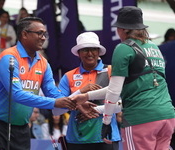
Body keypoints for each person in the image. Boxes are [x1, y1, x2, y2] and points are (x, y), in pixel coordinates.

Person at [71, 6, 175, 150]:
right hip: (167, 116)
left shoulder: (124, 48)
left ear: (123, 29)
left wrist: (106, 122)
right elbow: (123, 85)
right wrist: (87, 96)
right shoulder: (153, 47)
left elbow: (114, 91)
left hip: (141, 118)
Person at [0, 17, 76, 150]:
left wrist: (76, 100)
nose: (43, 38)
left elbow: (53, 93)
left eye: (45, 34)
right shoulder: (9, 57)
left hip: (22, 129)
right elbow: (17, 94)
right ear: (25, 34)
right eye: (40, 33)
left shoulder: (43, 63)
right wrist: (55, 103)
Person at [53, 32, 121, 150]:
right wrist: (80, 93)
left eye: (93, 49)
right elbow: (56, 111)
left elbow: (121, 105)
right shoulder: (69, 76)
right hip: (77, 140)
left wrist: (94, 109)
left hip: (106, 137)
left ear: (99, 52)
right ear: (78, 53)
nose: (90, 53)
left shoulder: (111, 71)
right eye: (85, 50)